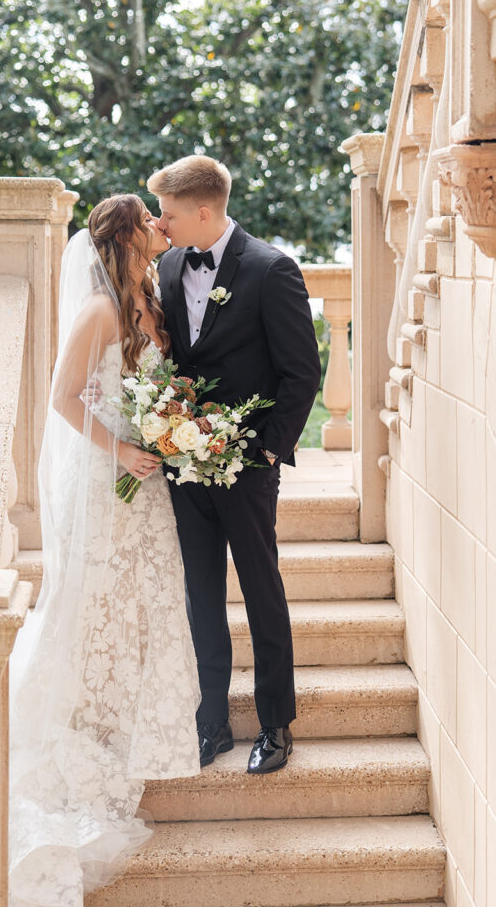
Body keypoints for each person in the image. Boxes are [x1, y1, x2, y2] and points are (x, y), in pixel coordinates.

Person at [7, 195, 200, 907]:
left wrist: (174, 427)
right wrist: (120, 448)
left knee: (145, 595)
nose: (160, 225)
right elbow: (64, 398)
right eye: (149, 219)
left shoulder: (148, 299)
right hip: (106, 474)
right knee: (99, 597)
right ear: (125, 234)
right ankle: (89, 720)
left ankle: (135, 715)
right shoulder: (97, 312)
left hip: (145, 476)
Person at [149, 155, 321, 775]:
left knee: (260, 589)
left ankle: (276, 723)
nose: (159, 224)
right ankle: (211, 721)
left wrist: (266, 451)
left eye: (167, 214)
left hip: (248, 466)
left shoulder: (272, 270)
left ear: (202, 211)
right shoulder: (167, 265)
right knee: (200, 592)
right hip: (182, 465)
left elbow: (303, 374)